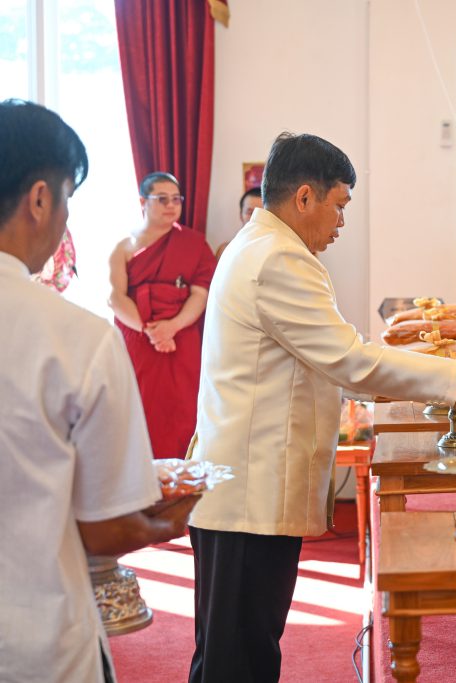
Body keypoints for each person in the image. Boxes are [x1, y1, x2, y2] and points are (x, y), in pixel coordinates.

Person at [187, 132, 456, 683]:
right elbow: (349, 360)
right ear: (304, 197)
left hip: (240, 482)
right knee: (238, 657)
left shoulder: (258, 245)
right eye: (339, 205)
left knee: (235, 649)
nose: (342, 222)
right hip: (248, 492)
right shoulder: (277, 259)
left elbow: (337, 356)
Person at [0, 99, 197, 683]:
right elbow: (106, 527)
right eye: (67, 199)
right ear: (40, 199)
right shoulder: (75, 336)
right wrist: (171, 519)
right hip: (33, 637)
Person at [108, 172, 217, 458]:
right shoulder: (124, 246)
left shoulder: (194, 244)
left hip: (182, 339)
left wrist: (172, 327)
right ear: (143, 202)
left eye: (176, 199)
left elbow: (201, 294)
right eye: (162, 199)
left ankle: (184, 476)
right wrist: (150, 331)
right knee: (140, 406)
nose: (171, 205)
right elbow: (116, 297)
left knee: (184, 408)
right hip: (139, 339)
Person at [215, 186, 263, 260]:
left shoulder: (276, 251)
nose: (255, 218)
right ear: (241, 215)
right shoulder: (226, 250)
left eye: (260, 213)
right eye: (250, 212)